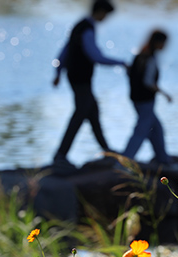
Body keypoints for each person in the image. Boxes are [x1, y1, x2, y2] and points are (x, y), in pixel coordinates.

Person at [52, 0, 126, 167]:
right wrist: (121, 63)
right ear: (99, 11)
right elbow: (96, 57)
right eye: (106, 14)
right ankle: (60, 155)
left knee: (92, 111)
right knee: (80, 115)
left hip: (76, 78)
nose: (106, 18)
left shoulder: (78, 26)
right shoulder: (87, 29)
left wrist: (57, 73)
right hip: (81, 79)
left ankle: (107, 151)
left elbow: (63, 53)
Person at [122, 29, 174, 166]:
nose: (164, 46)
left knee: (156, 128)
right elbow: (148, 82)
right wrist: (165, 94)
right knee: (141, 132)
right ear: (157, 42)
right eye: (163, 43)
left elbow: (130, 73)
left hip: (136, 99)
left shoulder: (140, 55)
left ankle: (163, 160)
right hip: (145, 101)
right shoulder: (150, 58)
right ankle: (124, 163)